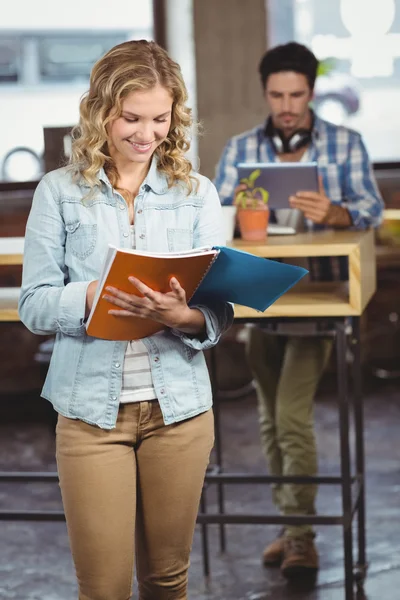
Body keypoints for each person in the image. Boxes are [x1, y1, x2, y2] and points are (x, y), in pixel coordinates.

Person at [19, 40, 233, 600]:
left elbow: (216, 313)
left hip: (180, 412)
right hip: (91, 416)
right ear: (100, 112)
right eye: (131, 118)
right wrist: (92, 294)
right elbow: (35, 305)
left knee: (167, 582)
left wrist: (181, 314)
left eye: (160, 118)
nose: (146, 133)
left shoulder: (197, 195)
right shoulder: (59, 193)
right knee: (105, 589)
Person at [214, 42, 383, 579]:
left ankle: (302, 538)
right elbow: (212, 218)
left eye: (297, 94)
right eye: (276, 95)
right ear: (264, 92)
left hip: (320, 298)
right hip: (258, 297)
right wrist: (236, 215)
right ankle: (291, 526)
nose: (287, 105)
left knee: (290, 415)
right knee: (269, 419)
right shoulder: (240, 148)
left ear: (312, 92)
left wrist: (337, 212)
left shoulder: (345, 144)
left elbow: (373, 210)